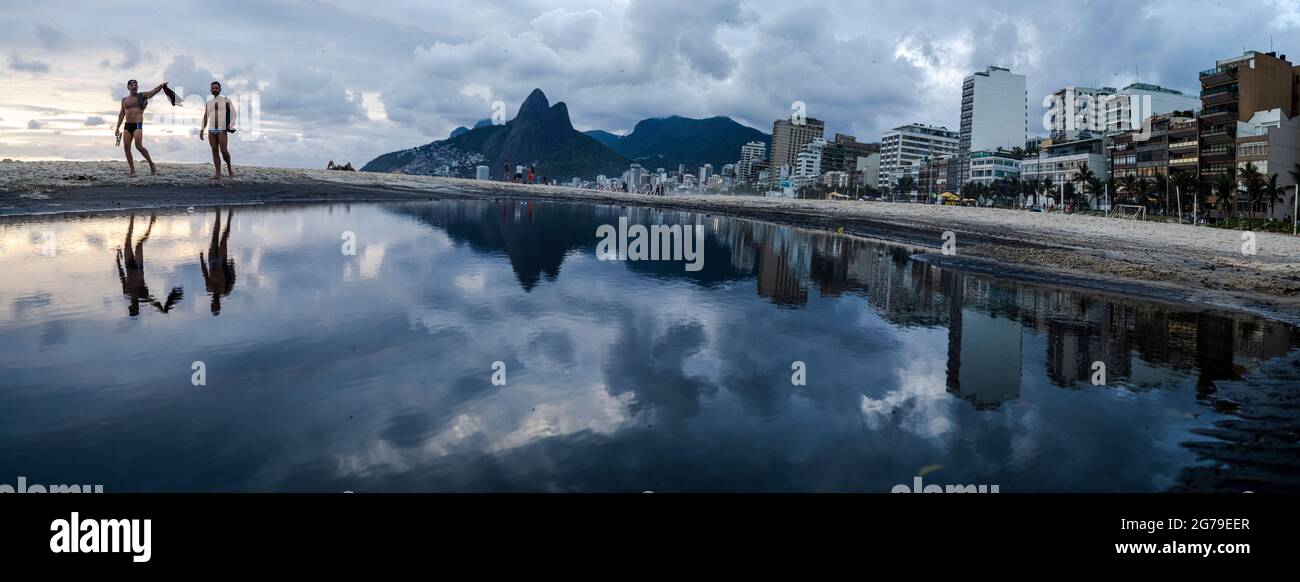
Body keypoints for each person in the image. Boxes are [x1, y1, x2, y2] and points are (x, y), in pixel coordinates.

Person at [114, 79, 170, 176]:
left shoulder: (142, 96)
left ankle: (152, 164)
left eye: (136, 85)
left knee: (138, 146)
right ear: (128, 87)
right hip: (127, 125)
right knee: (126, 147)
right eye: (132, 85)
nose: (134, 86)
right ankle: (132, 170)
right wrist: (117, 128)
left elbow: (152, 92)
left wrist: (161, 86)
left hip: (137, 124)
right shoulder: (124, 100)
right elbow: (121, 114)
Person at [201, 81, 237, 179]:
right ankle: (218, 173)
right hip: (211, 129)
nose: (215, 89)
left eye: (216, 88)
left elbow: (234, 113)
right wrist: (201, 130)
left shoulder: (226, 100)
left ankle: (229, 168)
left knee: (224, 150)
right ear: (210, 89)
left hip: (222, 128)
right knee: (214, 150)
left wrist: (231, 123)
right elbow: (205, 117)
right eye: (213, 88)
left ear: (220, 89)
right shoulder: (209, 103)